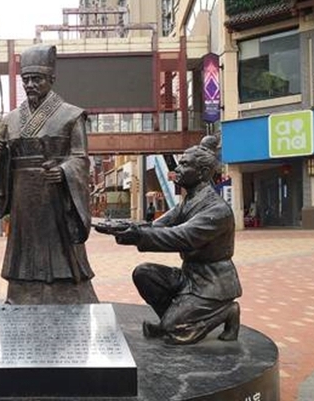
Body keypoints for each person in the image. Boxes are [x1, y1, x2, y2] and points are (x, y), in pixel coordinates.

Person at [96, 136, 242, 345]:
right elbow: (158, 225)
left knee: (176, 334)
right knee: (144, 274)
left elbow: (182, 237)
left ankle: (226, 311)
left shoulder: (217, 210)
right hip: (189, 276)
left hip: (213, 284)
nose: (177, 168)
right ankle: (170, 319)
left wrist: (139, 236)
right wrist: (124, 228)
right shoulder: (188, 202)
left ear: (202, 172)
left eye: (185, 164)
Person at [0, 44, 98, 305]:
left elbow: (80, 158)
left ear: (51, 79)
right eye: (26, 79)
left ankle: (68, 292)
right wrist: (0, 155)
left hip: (55, 194)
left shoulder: (72, 115)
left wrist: (64, 170)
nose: (30, 85)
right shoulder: (10, 119)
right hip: (23, 198)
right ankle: (21, 292)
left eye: (36, 79)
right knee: (24, 250)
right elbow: (6, 161)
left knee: (60, 248)